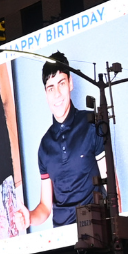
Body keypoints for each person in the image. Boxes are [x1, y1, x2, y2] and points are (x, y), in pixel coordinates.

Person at [29, 53, 106, 227]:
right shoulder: (44, 146)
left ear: (70, 83)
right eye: (50, 88)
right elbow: (45, 207)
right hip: (62, 236)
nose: (57, 94)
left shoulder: (92, 123)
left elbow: (111, 186)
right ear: (46, 94)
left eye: (61, 83)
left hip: (95, 230)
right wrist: (29, 218)